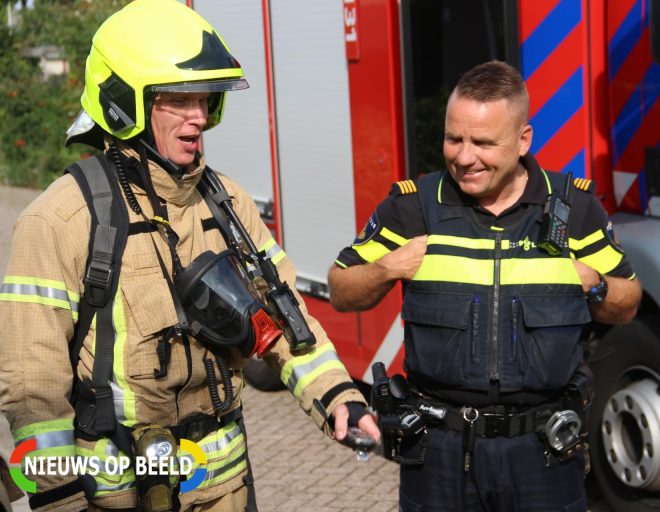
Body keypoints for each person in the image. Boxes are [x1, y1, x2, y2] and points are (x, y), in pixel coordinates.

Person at [0, 1, 378, 510]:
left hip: (225, 492)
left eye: (204, 99)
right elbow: (33, 390)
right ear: (122, 103)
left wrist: (339, 398)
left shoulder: (228, 204)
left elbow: (288, 323)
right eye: (179, 100)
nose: (198, 117)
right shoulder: (61, 220)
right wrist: (61, 501)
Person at [328, 60, 642, 511]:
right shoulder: (414, 208)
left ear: (523, 140)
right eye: (454, 138)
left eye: (483, 143)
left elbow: (628, 302)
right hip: (438, 452)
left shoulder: (574, 209)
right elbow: (340, 289)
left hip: (543, 454)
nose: (464, 156)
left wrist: (593, 285)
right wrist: (388, 269)